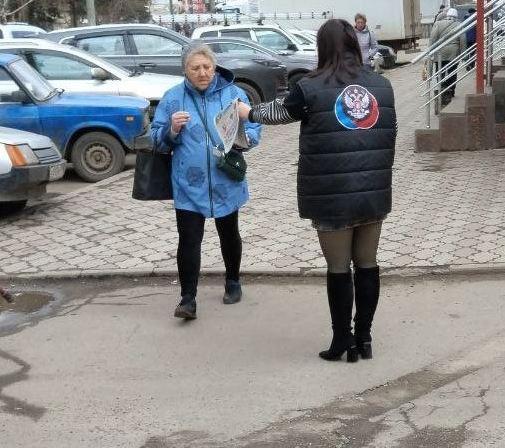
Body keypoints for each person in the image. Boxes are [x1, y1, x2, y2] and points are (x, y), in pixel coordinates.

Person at [237, 19, 396, 363]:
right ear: (354, 44)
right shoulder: (382, 85)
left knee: (339, 267)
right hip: (372, 190)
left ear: (322, 48)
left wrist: (248, 112)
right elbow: (389, 135)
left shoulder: (310, 87)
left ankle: (343, 340)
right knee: (367, 263)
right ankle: (364, 338)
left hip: (331, 192)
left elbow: (280, 113)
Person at [150, 43, 262, 320]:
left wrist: (246, 139)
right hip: (188, 184)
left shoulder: (233, 94)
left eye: (207, 67)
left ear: (214, 67)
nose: (202, 73)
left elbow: (253, 125)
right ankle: (187, 299)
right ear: (185, 71)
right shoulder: (173, 98)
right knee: (189, 239)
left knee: (229, 233)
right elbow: (155, 139)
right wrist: (171, 129)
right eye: (195, 68)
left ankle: (233, 281)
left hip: (226, 181)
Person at [427, 7, 465, 104]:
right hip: (453, 52)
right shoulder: (459, 25)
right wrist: (464, 54)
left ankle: (442, 87)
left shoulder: (438, 24)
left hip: (440, 52)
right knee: (452, 71)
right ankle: (451, 90)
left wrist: (431, 51)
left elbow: (433, 38)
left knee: (440, 70)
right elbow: (463, 40)